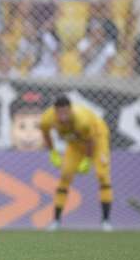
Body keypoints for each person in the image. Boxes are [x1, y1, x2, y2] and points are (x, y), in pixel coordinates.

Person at [39, 95, 113, 232]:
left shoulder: (82, 120)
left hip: (97, 139)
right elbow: (45, 134)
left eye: (65, 112)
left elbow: (91, 141)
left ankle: (106, 222)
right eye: (59, 112)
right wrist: (53, 152)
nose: (63, 116)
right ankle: (56, 221)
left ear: (70, 110)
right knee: (65, 175)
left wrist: (87, 160)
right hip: (75, 144)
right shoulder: (46, 119)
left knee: (102, 175)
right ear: (54, 111)